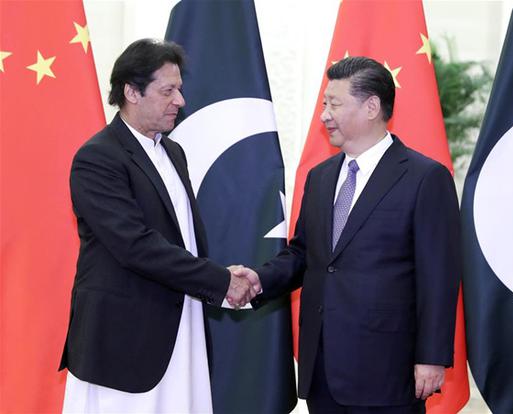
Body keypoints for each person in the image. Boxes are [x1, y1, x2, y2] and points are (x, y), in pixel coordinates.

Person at [235, 57, 461, 414]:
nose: (324, 114)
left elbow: (439, 276)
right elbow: (305, 255)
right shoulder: (320, 176)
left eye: (334, 104)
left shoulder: (424, 178)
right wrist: (259, 279)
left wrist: (431, 357)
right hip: (323, 368)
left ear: (372, 106)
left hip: (388, 371)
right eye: (324, 103)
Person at [59, 38, 257, 414]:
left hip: (181, 328)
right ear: (132, 92)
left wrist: (216, 274)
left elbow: (178, 238)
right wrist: (219, 280)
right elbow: (135, 245)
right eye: (168, 91)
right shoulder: (97, 158)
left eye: (179, 89)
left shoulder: (172, 151)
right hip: (124, 343)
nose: (180, 101)